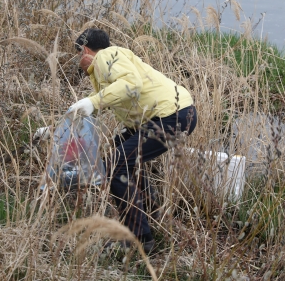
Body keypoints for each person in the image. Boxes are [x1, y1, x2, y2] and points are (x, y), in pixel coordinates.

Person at [68, 28, 198, 253]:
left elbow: (132, 84)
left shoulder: (105, 57)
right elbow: (105, 102)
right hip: (178, 113)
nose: (79, 59)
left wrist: (94, 101)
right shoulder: (113, 61)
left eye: (79, 53)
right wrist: (58, 127)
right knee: (121, 151)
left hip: (170, 116)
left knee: (115, 165)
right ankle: (151, 212)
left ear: (86, 50)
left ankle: (139, 239)